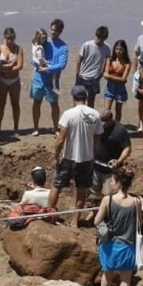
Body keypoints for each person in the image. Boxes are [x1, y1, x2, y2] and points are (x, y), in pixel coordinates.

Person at [48, 86, 103, 226]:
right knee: (81, 189)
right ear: (85, 97)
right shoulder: (95, 114)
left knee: (57, 185)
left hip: (69, 156)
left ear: (73, 98)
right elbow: (97, 139)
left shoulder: (68, 114)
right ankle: (75, 221)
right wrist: (93, 155)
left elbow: (61, 139)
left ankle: (48, 215)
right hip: (86, 158)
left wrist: (55, 156)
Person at [94, 166, 142, 286]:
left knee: (107, 276)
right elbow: (140, 221)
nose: (110, 183)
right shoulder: (136, 202)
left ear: (119, 182)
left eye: (113, 181)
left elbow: (97, 221)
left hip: (109, 245)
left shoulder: (107, 200)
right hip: (127, 246)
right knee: (125, 280)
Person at [92, 110, 132, 201]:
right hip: (96, 166)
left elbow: (127, 148)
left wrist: (119, 161)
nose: (102, 124)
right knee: (93, 192)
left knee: (108, 195)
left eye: (105, 121)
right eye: (100, 121)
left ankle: (108, 212)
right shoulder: (96, 126)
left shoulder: (120, 130)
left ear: (111, 119)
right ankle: (95, 210)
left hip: (110, 170)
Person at [0, 28, 23, 133]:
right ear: (4, 37)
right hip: (2, 80)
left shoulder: (18, 49)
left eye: (12, 38)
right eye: (8, 38)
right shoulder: (0, 48)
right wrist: (4, 68)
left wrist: (9, 69)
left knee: (15, 103)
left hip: (14, 80)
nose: (10, 41)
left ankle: (16, 127)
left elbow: (20, 65)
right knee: (1, 104)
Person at [75, 26, 110, 108]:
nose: (99, 40)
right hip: (82, 77)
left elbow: (107, 62)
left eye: (102, 39)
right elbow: (79, 60)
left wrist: (102, 74)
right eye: (98, 38)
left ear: (105, 38)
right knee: (78, 101)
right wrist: (77, 73)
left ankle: (89, 120)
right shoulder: (87, 45)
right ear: (95, 35)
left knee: (91, 102)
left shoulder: (107, 48)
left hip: (95, 78)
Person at [102, 40, 130, 123]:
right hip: (109, 88)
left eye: (120, 49)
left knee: (118, 111)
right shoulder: (109, 60)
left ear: (124, 50)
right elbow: (105, 74)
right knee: (107, 111)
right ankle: (107, 127)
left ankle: (116, 127)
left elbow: (124, 79)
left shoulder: (127, 63)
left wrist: (110, 77)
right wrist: (118, 79)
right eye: (116, 49)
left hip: (120, 90)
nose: (118, 51)